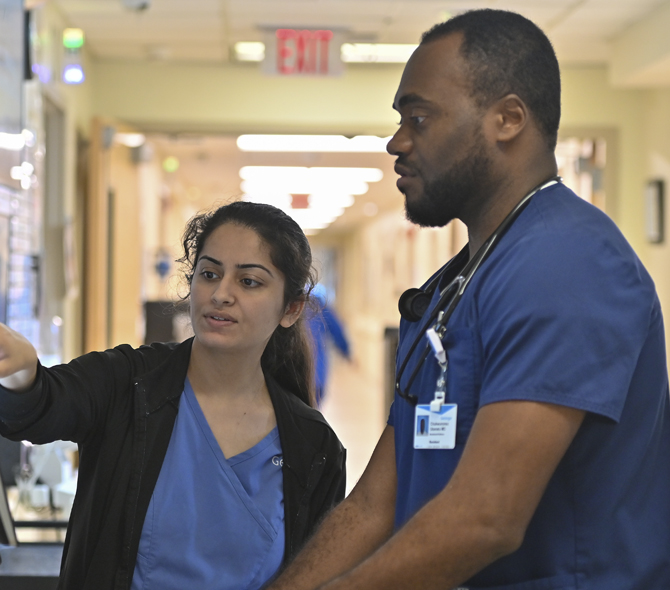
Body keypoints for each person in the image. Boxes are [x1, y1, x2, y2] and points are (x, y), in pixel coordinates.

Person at [267, 9, 670, 590]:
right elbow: (373, 507)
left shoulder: (567, 264)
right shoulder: (461, 283)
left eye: (420, 117)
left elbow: (486, 518)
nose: (396, 141)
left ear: (507, 119)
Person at [0, 201, 346, 590]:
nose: (221, 294)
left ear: (291, 308)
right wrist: (19, 373)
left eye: (249, 281)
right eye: (210, 273)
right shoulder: (128, 383)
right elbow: (40, 407)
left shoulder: (312, 447)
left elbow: (318, 574)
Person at [306, 283, 351, 406]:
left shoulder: (287, 307)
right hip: (316, 375)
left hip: (294, 375)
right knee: (311, 411)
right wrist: (346, 352)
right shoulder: (320, 307)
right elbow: (337, 330)